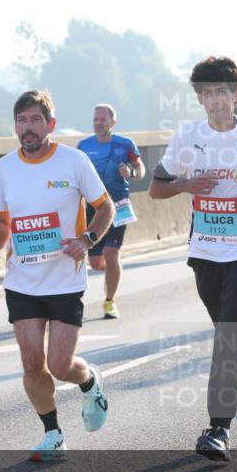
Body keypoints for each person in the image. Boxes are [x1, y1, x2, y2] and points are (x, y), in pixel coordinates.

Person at [149, 56, 237, 461]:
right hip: (204, 251)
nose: (215, 100)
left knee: (228, 336)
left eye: (222, 93)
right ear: (199, 98)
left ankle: (217, 429)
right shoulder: (186, 137)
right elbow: (156, 189)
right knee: (228, 334)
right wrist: (186, 184)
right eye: (207, 93)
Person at [0, 90, 115, 461]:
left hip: (66, 280)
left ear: (50, 124)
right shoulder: (6, 167)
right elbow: (4, 221)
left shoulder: (74, 161)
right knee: (32, 363)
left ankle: (88, 381)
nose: (28, 128)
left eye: (36, 120)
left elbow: (106, 208)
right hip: (22, 280)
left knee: (59, 365)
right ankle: (53, 432)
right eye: (22, 121)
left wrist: (86, 241)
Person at [77, 104, 146, 318]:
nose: (98, 123)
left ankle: (110, 301)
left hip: (118, 205)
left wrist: (131, 172)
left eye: (103, 119)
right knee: (97, 263)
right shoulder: (84, 146)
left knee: (111, 253)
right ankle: (114, 270)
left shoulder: (125, 144)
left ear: (112, 122)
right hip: (92, 208)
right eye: (95, 119)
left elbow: (141, 169)